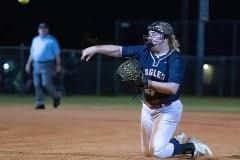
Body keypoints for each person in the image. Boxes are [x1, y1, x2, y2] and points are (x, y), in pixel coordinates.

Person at [81, 21, 213, 159]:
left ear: (165, 38)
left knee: (158, 152)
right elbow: (119, 50)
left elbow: (173, 88)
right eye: (150, 33)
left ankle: (192, 147)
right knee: (148, 153)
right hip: (147, 108)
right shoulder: (144, 51)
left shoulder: (175, 59)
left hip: (167, 110)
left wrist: (147, 82)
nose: (150, 37)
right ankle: (177, 140)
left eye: (155, 34)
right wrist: (96, 49)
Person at [25, 22, 61, 109]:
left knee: (46, 83)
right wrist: (28, 63)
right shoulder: (35, 40)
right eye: (41, 29)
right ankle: (40, 103)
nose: (42, 30)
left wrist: (58, 65)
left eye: (44, 29)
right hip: (36, 63)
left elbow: (57, 54)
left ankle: (56, 96)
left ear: (47, 30)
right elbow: (32, 53)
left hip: (47, 63)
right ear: (38, 30)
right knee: (37, 84)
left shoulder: (52, 40)